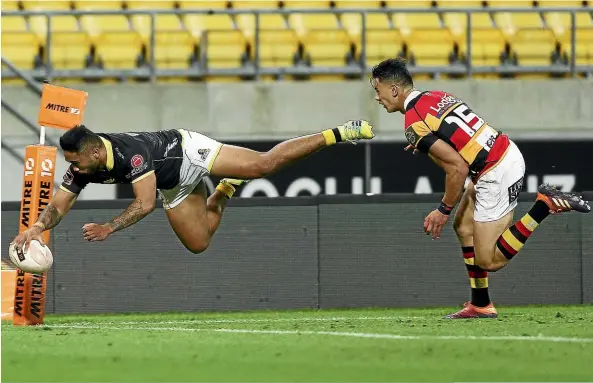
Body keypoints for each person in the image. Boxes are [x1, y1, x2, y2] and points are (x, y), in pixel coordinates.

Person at [369, 58, 590, 319]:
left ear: (393, 89)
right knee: (463, 227)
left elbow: (457, 168)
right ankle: (481, 303)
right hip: (501, 153)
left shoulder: (413, 122)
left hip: (494, 171)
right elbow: (459, 142)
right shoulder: (437, 96)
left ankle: (543, 206)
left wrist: (443, 209)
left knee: (489, 260)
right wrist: (427, 146)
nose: (377, 98)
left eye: (377, 89)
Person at [11, 121, 374, 255]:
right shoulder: (85, 167)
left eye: (75, 160)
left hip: (188, 153)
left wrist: (110, 227)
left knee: (263, 165)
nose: (72, 167)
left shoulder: (130, 154)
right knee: (199, 244)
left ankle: (338, 133)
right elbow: (59, 203)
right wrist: (37, 228)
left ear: (92, 150)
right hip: (174, 185)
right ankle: (226, 190)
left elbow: (144, 204)